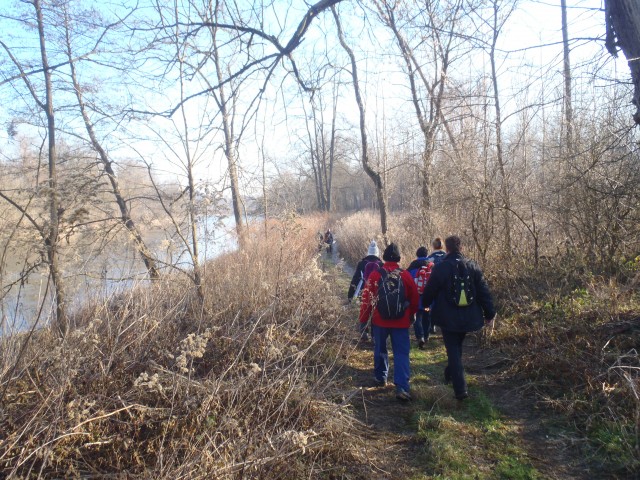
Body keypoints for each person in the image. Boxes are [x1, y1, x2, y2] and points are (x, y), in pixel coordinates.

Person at [422, 235, 496, 401]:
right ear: (461, 248)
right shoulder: (473, 266)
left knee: (453, 350)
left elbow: (430, 290)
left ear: (447, 249)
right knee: (456, 348)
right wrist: (489, 314)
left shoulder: (441, 268)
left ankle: (460, 389)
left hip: (447, 318)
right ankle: (450, 374)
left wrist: (425, 305)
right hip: (469, 317)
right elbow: (484, 292)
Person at [359, 243, 419, 401]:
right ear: (399, 258)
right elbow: (414, 299)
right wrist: (411, 314)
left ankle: (380, 378)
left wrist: (363, 321)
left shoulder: (375, 275)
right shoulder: (405, 275)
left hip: (380, 320)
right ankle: (402, 387)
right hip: (401, 322)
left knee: (380, 349)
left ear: (384, 257)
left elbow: (366, 301)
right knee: (401, 353)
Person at [407, 246, 433, 349]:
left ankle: (420, 337)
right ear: (427, 255)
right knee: (427, 315)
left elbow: (407, 281)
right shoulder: (431, 266)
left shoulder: (412, 266)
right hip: (428, 299)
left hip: (416, 298)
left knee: (417, 317)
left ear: (417, 255)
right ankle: (426, 336)